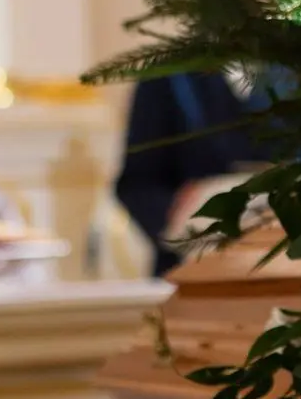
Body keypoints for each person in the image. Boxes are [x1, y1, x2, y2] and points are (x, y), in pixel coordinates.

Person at [116, 68, 276, 277]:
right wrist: (177, 210)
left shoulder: (296, 71)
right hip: (192, 265)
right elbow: (138, 182)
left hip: (289, 264)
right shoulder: (169, 78)